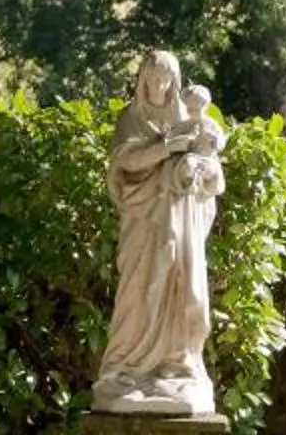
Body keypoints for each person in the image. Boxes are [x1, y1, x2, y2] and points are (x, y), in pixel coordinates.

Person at [93, 50, 227, 414]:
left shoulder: (187, 117)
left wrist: (202, 168)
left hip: (180, 217)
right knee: (140, 287)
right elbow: (125, 161)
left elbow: (211, 170)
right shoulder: (131, 117)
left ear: (174, 81)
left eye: (165, 78)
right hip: (144, 217)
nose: (158, 84)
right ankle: (126, 367)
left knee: (180, 285)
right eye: (152, 77)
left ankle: (176, 365)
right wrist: (166, 148)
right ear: (142, 79)